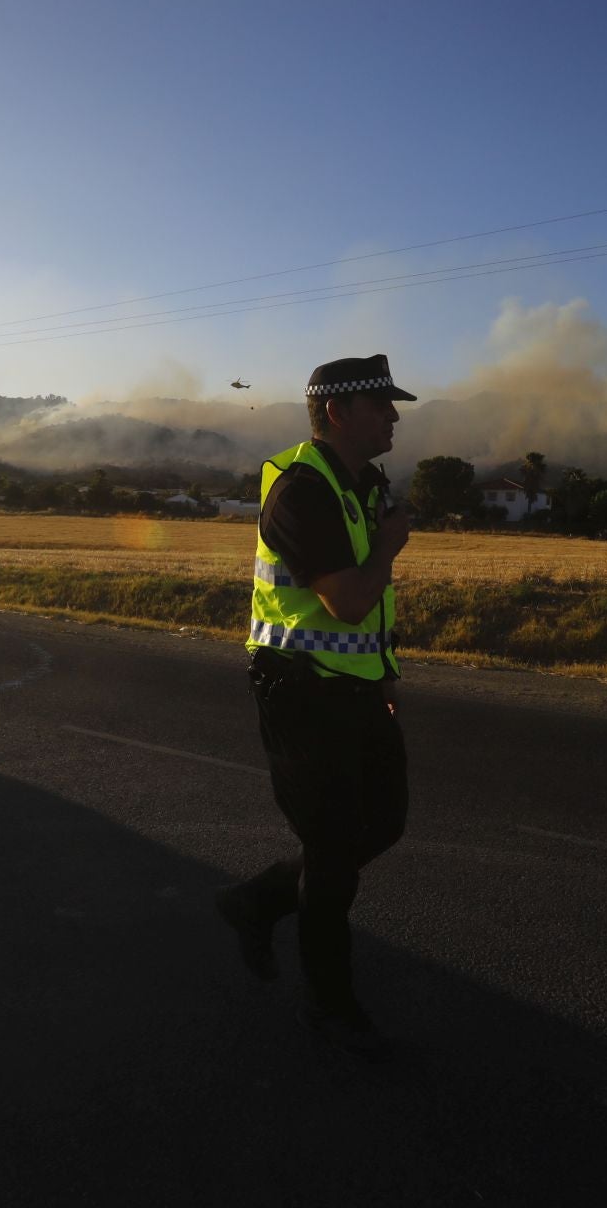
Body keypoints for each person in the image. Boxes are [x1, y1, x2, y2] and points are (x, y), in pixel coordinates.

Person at [215, 353, 415, 1060]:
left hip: (356, 688)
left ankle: (262, 900)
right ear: (339, 412)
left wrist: (384, 679)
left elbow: (371, 617)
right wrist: (391, 546)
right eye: (382, 405)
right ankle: (331, 1008)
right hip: (301, 692)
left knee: (384, 822)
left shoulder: (365, 483)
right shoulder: (302, 489)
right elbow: (351, 598)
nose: (394, 416)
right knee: (333, 856)